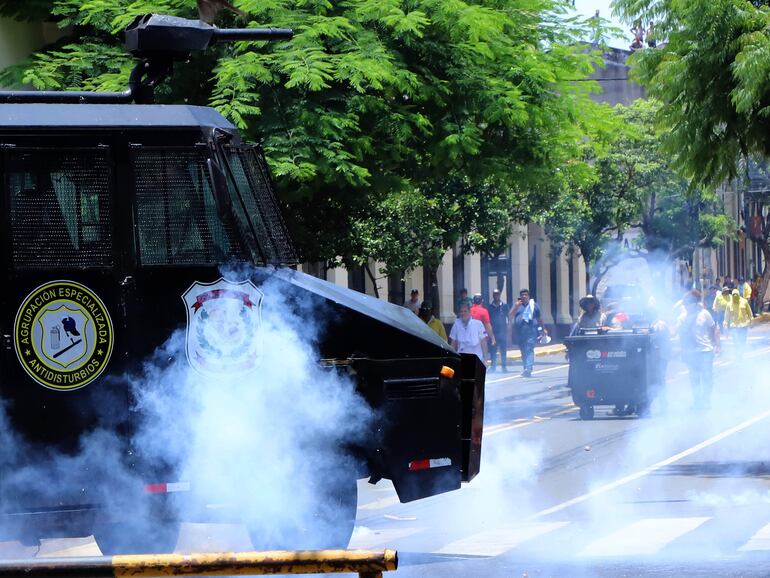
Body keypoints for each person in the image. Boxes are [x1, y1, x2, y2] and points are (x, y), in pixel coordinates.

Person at [675, 290, 720, 410]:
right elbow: (676, 333)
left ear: (695, 304)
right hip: (691, 353)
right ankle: (697, 401)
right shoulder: (682, 318)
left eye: (688, 304)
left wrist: (716, 345)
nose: (686, 306)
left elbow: (713, 329)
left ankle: (706, 401)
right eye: (685, 304)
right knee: (694, 379)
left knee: (706, 377)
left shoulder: (705, 314)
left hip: (705, 351)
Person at [511, 289, 546, 377]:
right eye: (522, 295)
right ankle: (526, 368)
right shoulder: (517, 306)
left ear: (528, 296)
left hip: (531, 332)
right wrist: (515, 307)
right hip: (520, 333)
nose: (524, 296)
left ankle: (528, 368)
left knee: (529, 349)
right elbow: (510, 316)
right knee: (523, 351)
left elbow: (539, 319)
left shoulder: (534, 306)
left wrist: (543, 329)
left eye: (525, 295)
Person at [724, 288, 752, 357]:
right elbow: (726, 316)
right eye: (733, 295)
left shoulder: (744, 302)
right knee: (736, 341)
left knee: (742, 341)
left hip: (743, 326)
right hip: (734, 327)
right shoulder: (729, 304)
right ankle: (738, 355)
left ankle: (741, 354)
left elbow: (749, 313)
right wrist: (725, 325)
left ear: (739, 295)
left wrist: (751, 321)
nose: (735, 296)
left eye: (736, 295)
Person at [488, 289, 510, 372]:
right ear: (493, 295)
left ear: (500, 295)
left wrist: (508, 331)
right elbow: (488, 320)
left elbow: (508, 319)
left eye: (497, 294)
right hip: (493, 332)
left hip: (503, 331)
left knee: (503, 350)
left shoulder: (504, 306)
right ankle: (493, 367)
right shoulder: (490, 307)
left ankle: (504, 366)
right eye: (495, 294)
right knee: (493, 350)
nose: (496, 295)